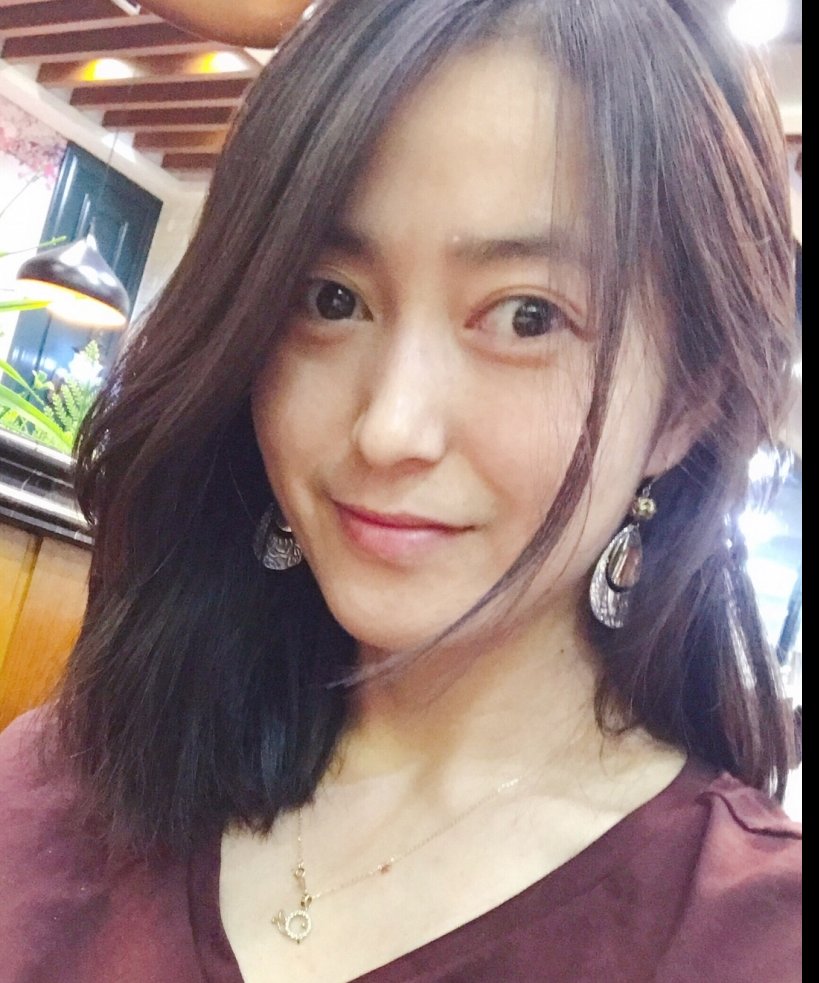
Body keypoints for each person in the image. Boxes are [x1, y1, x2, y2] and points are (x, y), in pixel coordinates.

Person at [0, 1, 801, 981]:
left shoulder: (750, 938)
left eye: (525, 316)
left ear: (684, 402)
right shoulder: (69, 780)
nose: (388, 427)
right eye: (331, 298)